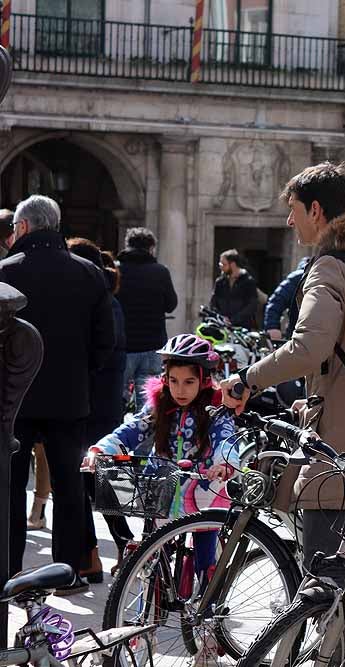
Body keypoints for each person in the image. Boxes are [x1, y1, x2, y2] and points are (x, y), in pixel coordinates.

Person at [220, 163, 345, 667]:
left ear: (316, 210)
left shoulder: (329, 268)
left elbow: (309, 346)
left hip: (342, 449)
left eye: (293, 210)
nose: (290, 222)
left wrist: (245, 380)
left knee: (325, 577)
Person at [0, 195, 115, 595]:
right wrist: (82, 373)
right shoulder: (88, 273)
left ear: (24, 228)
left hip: (14, 400)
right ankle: (67, 573)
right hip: (70, 397)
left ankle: (10, 572)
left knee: (10, 487)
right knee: (69, 488)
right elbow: (106, 341)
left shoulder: (5, 272)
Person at [84, 334, 238, 579]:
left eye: (189, 382)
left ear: (204, 380)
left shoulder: (217, 409)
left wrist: (224, 463)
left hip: (205, 493)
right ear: (165, 378)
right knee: (156, 559)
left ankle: (206, 611)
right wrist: (101, 448)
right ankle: (150, 607)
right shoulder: (159, 404)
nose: (180, 389)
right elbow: (133, 428)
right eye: (173, 381)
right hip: (162, 490)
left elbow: (226, 440)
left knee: (204, 564)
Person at [67, 238, 134, 581]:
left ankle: (110, 550)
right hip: (102, 403)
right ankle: (108, 550)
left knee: (95, 483)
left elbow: (98, 354)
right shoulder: (106, 298)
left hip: (94, 404)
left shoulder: (99, 301)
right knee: (96, 484)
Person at [117, 227, 178, 408]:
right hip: (152, 345)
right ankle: (146, 437)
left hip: (124, 345)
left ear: (127, 245)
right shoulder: (160, 271)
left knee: (116, 400)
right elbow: (171, 304)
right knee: (147, 404)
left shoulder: (117, 269)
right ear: (151, 248)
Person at [264, 256, 311, 341]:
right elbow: (276, 301)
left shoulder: (298, 277)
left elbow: (275, 301)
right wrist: (272, 326)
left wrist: (272, 326)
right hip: (297, 332)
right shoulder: (297, 278)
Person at [210, 249, 259, 329]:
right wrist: (221, 317)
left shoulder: (248, 282)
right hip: (222, 326)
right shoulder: (220, 282)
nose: (221, 267)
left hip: (241, 328)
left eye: (224, 264)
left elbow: (252, 306)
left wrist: (233, 320)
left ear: (232, 264)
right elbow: (214, 303)